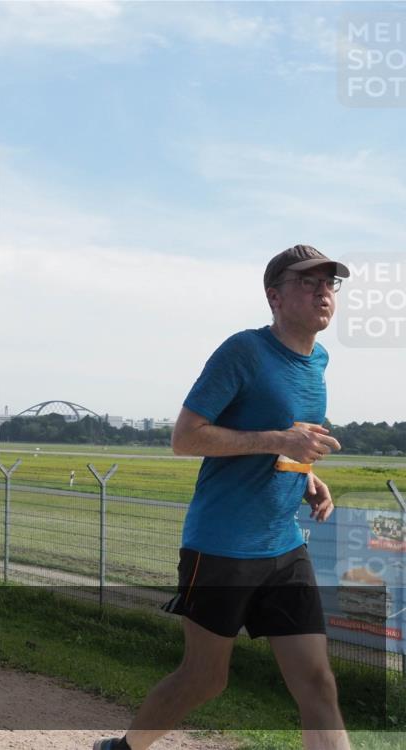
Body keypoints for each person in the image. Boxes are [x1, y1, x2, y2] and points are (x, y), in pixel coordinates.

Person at [94, 245, 351, 750]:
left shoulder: (318, 359)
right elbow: (185, 438)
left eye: (329, 282)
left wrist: (305, 475)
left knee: (318, 684)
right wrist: (279, 440)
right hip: (223, 548)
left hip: (284, 547)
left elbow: (293, 436)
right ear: (274, 296)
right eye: (308, 281)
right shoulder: (244, 352)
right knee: (205, 678)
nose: (323, 290)